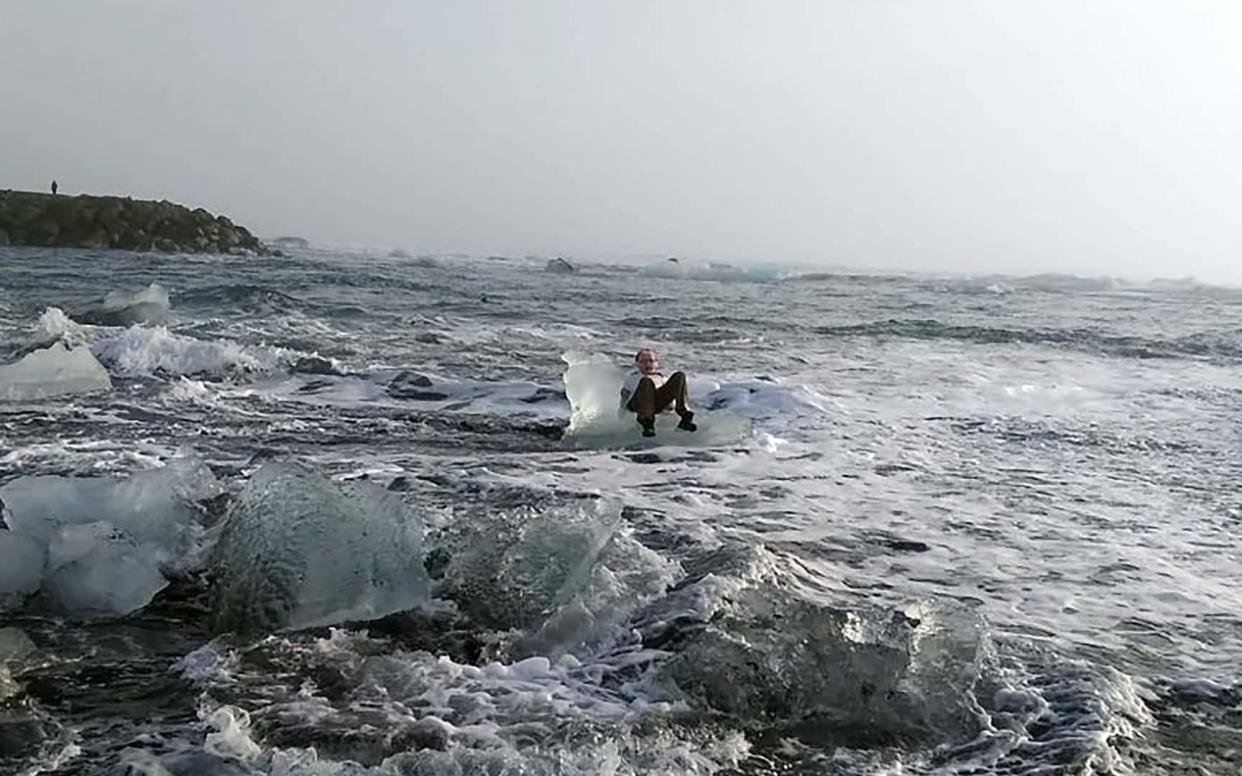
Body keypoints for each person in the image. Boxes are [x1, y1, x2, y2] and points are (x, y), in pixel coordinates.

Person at [619, 347, 697, 437]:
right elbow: (624, 401)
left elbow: (672, 396)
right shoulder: (631, 378)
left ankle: (685, 417)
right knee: (646, 382)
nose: (647, 364)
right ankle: (647, 423)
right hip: (638, 405)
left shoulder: (662, 378)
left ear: (656, 364)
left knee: (679, 376)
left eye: (651, 361)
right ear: (637, 364)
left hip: (656, 404)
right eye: (643, 361)